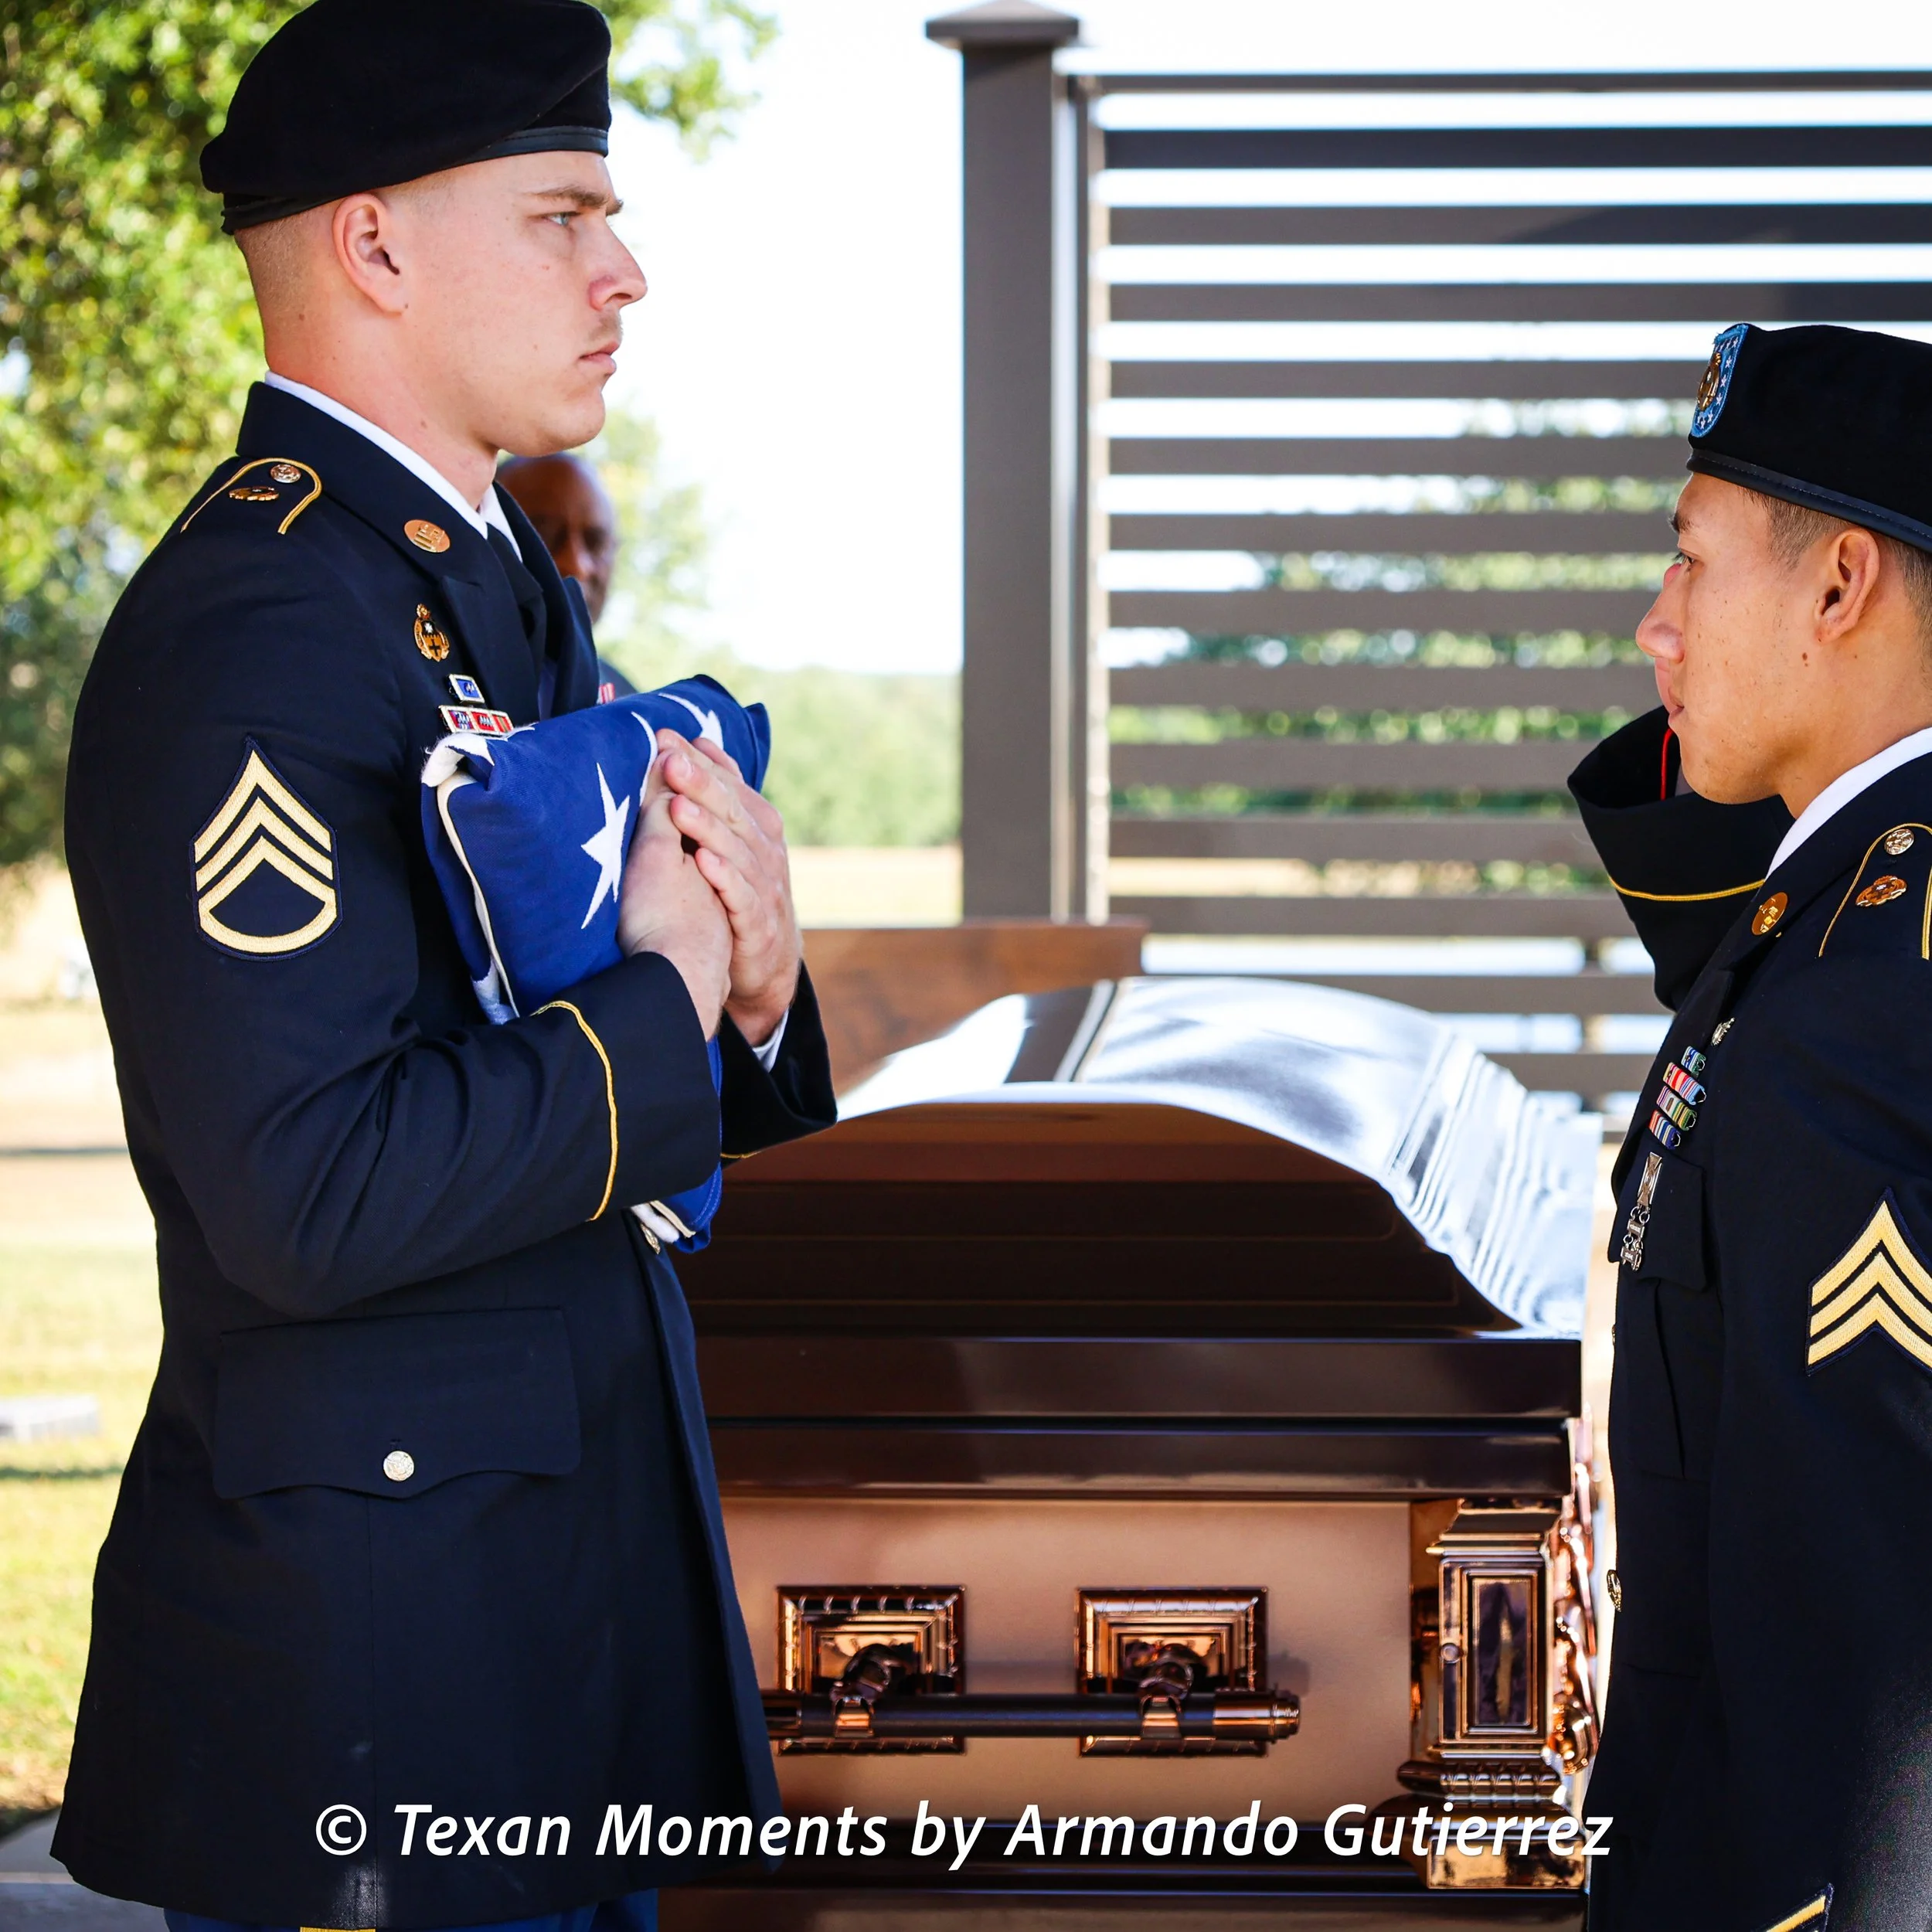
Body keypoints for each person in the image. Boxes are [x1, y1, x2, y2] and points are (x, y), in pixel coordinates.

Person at [51, 2, 835, 1927]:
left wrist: (749, 992)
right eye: (566, 211)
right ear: (377, 244)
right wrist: (663, 1000)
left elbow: (572, 1030)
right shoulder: (264, 620)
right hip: (382, 1693)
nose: (625, 268)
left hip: (533, 1616)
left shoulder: (473, 587)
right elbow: (306, 1193)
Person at [1577, 321, 1932, 1932]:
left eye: (1690, 563)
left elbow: (1850, 1661)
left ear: (1838, 585)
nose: (1653, 627)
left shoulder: (1844, 1028)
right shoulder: (1843, 927)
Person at [498, 451, 635, 698]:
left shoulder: (630, 704)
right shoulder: (428, 671)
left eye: (596, 543)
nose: (577, 565)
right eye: (545, 537)